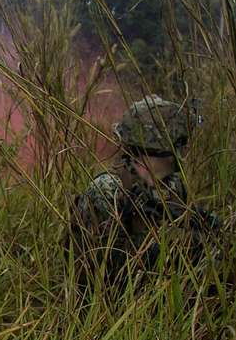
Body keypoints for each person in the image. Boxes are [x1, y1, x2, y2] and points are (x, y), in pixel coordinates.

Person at [69, 95, 219, 290]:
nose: (183, 153)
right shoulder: (107, 191)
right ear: (160, 149)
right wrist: (180, 249)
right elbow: (101, 269)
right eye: (180, 145)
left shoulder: (171, 185)